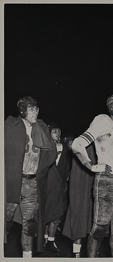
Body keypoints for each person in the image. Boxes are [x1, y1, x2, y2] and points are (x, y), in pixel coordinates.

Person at [71, 92, 113, 257]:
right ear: (112, 107)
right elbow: (77, 144)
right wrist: (92, 166)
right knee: (100, 228)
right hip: (107, 180)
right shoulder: (102, 121)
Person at [4, 96, 57, 257]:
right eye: (31, 108)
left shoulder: (41, 128)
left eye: (37, 108)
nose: (36, 111)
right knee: (5, 221)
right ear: (22, 110)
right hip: (11, 183)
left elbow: (50, 151)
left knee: (30, 226)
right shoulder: (10, 126)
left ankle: (27, 258)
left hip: (31, 183)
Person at [62, 143, 97, 258]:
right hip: (81, 191)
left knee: (95, 224)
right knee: (79, 222)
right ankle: (77, 255)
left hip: (94, 190)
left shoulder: (102, 146)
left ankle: (93, 254)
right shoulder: (81, 145)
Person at [44, 123, 71, 253]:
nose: (57, 133)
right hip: (47, 184)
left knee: (57, 213)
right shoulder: (45, 147)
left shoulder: (65, 148)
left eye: (59, 131)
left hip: (60, 185)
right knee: (45, 211)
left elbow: (67, 167)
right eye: (54, 131)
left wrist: (65, 183)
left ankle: (51, 240)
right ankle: (43, 238)